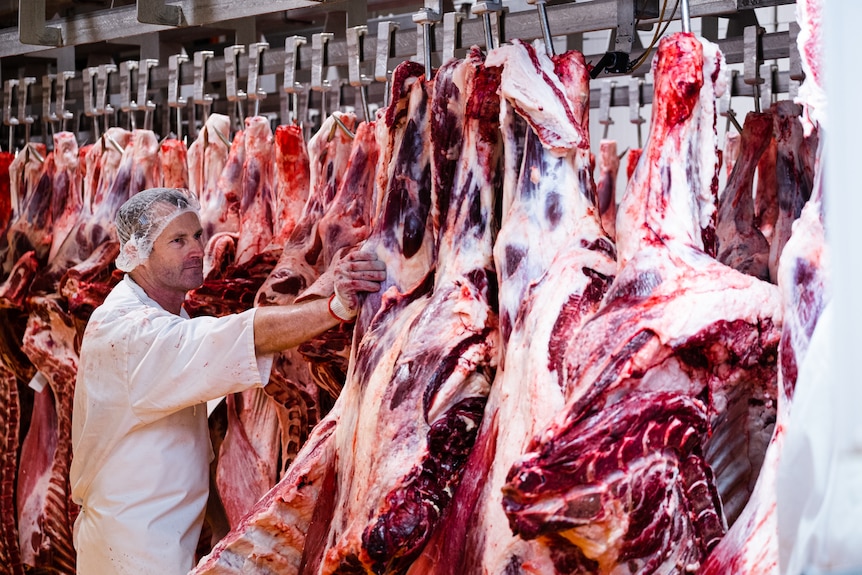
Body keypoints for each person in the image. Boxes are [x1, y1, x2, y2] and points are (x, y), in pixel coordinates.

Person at [69, 187, 386, 575]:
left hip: (165, 539)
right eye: (177, 240)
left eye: (197, 235)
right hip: (132, 548)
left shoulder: (166, 315)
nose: (196, 249)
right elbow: (237, 337)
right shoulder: (129, 332)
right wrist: (334, 306)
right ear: (139, 254)